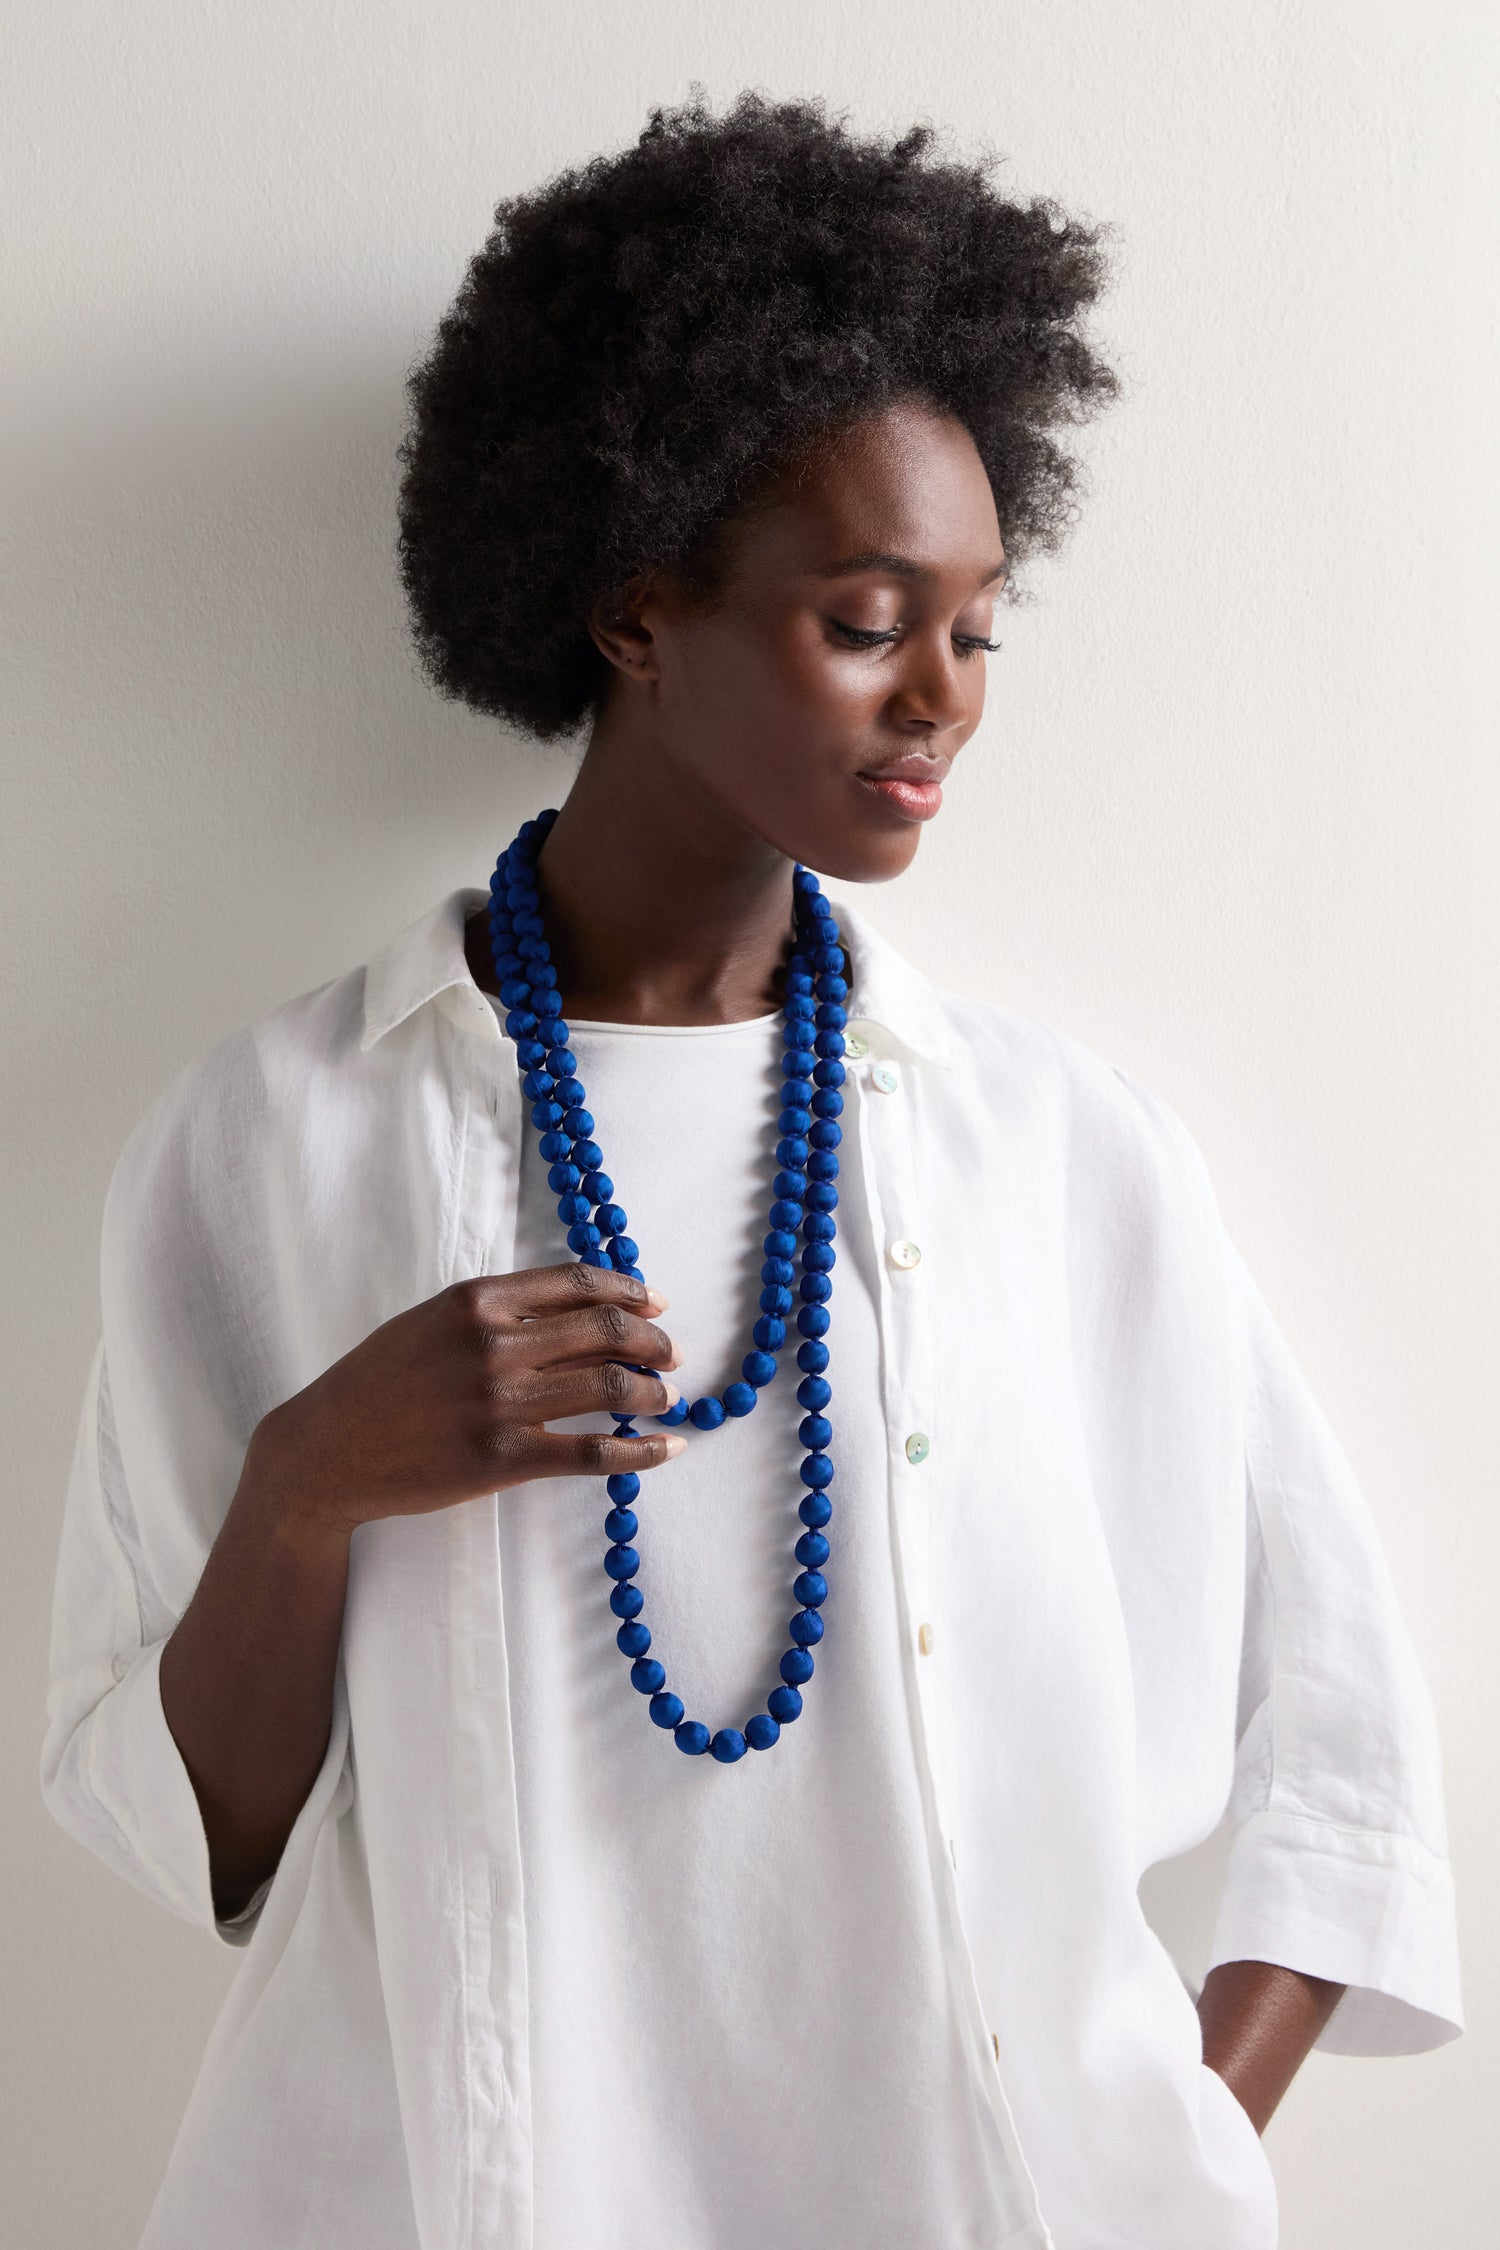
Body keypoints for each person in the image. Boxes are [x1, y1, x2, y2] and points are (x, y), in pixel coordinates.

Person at [40, 91, 1462, 2250]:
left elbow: (1344, 1746)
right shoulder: (271, 1138)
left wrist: (1161, 2158)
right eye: (871, 616)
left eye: (978, 629)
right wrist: (313, 1478)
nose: (944, 703)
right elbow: (202, 1843)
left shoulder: (1064, 1159)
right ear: (634, 606)